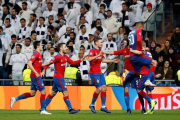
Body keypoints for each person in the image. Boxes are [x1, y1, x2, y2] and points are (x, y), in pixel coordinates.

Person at [43, 43, 87, 114]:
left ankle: (43, 107)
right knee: (65, 92)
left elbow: (73, 62)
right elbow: (48, 63)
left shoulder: (66, 57)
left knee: (53, 93)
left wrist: (81, 59)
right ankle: (70, 109)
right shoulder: (57, 57)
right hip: (58, 78)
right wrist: (43, 70)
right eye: (65, 47)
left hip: (60, 77)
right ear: (60, 48)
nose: (66, 48)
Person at [10, 41, 51, 115]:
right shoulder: (35, 53)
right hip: (35, 76)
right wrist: (35, 72)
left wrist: (47, 63)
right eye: (41, 45)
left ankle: (15, 99)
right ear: (38, 46)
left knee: (32, 93)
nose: (42, 46)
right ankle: (42, 110)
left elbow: (39, 64)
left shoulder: (38, 54)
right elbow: (29, 63)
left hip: (34, 75)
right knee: (43, 92)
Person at [103, 39, 142, 114]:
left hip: (135, 72)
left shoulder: (135, 51)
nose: (123, 42)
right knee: (126, 89)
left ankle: (143, 107)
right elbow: (114, 52)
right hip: (126, 72)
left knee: (138, 90)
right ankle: (128, 109)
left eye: (125, 41)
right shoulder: (124, 50)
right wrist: (105, 52)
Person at [88, 37, 120, 114]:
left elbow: (103, 60)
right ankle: (92, 104)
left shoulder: (100, 51)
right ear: (96, 43)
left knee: (104, 88)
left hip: (100, 73)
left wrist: (113, 60)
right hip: (93, 73)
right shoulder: (92, 51)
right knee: (98, 89)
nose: (102, 44)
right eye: (101, 42)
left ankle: (103, 106)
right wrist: (98, 55)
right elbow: (89, 59)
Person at [130, 41, 157, 114]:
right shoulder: (149, 53)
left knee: (139, 91)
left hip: (143, 73)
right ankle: (150, 109)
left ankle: (148, 104)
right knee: (148, 91)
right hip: (151, 74)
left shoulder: (141, 54)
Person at [129, 22, 157, 86]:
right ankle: (148, 80)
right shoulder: (138, 30)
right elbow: (139, 40)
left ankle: (132, 81)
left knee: (139, 72)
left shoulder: (130, 32)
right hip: (137, 55)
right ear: (140, 26)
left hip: (132, 56)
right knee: (154, 63)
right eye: (142, 28)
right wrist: (141, 48)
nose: (141, 30)